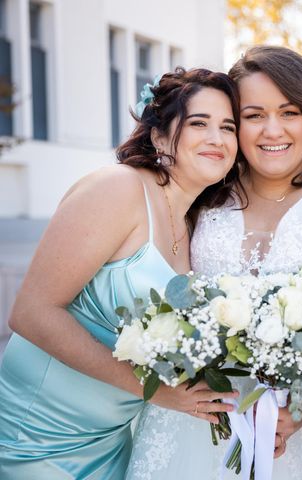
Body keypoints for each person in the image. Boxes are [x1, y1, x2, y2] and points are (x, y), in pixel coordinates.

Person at [126, 46, 302, 479]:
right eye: (253, 115)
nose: (273, 130)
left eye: (289, 112)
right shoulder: (208, 190)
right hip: (199, 421)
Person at [0, 68, 241, 478]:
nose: (217, 138)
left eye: (228, 127)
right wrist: (160, 393)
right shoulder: (119, 188)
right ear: (159, 135)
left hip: (110, 443)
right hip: (36, 439)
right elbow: (31, 313)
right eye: (199, 122)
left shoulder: (196, 226)